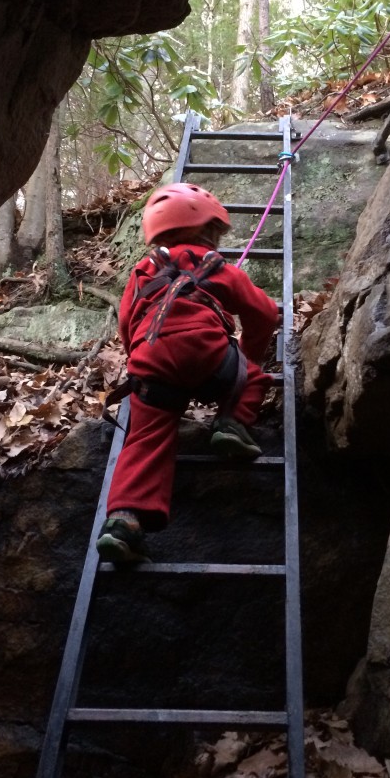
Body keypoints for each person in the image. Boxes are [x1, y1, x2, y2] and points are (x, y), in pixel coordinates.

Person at [96, 182, 279, 564]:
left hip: (153, 364)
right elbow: (264, 313)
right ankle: (231, 423)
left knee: (145, 438)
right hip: (209, 359)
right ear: (208, 230)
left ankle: (123, 522)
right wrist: (247, 360)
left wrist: (143, 359)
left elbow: (128, 324)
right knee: (252, 377)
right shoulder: (219, 267)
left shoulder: (143, 270)